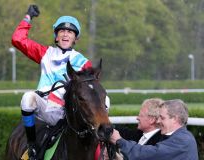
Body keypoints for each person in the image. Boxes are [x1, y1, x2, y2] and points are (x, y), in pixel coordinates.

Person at [11, 4, 94, 159]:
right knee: (27, 98)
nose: (65, 34)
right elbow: (17, 39)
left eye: (70, 32)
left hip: (70, 112)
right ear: (56, 36)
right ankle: (32, 144)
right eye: (61, 31)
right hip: (46, 109)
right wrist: (27, 18)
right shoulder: (45, 53)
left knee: (106, 100)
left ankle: (105, 146)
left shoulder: (84, 62)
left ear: (76, 38)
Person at [109, 99, 199, 160]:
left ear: (175, 119)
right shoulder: (179, 137)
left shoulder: (182, 140)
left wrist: (119, 141)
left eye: (162, 118)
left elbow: (147, 154)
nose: (158, 121)